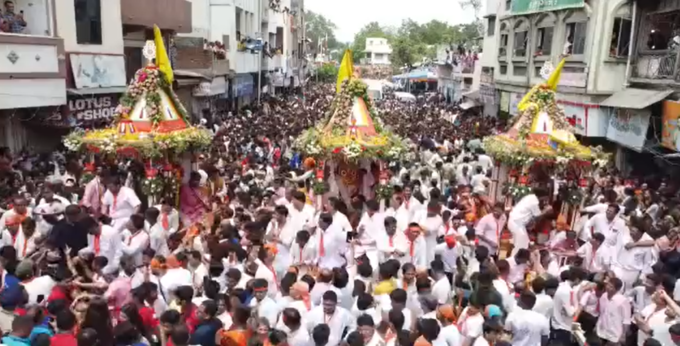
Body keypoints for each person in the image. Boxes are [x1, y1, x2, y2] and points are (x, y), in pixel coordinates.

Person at [507, 188, 552, 255]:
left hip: (517, 223)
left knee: (525, 243)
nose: (545, 201)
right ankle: (514, 261)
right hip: (516, 224)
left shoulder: (530, 197)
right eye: (545, 198)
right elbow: (537, 216)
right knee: (521, 245)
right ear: (542, 196)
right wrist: (546, 210)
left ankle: (519, 259)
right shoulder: (534, 201)